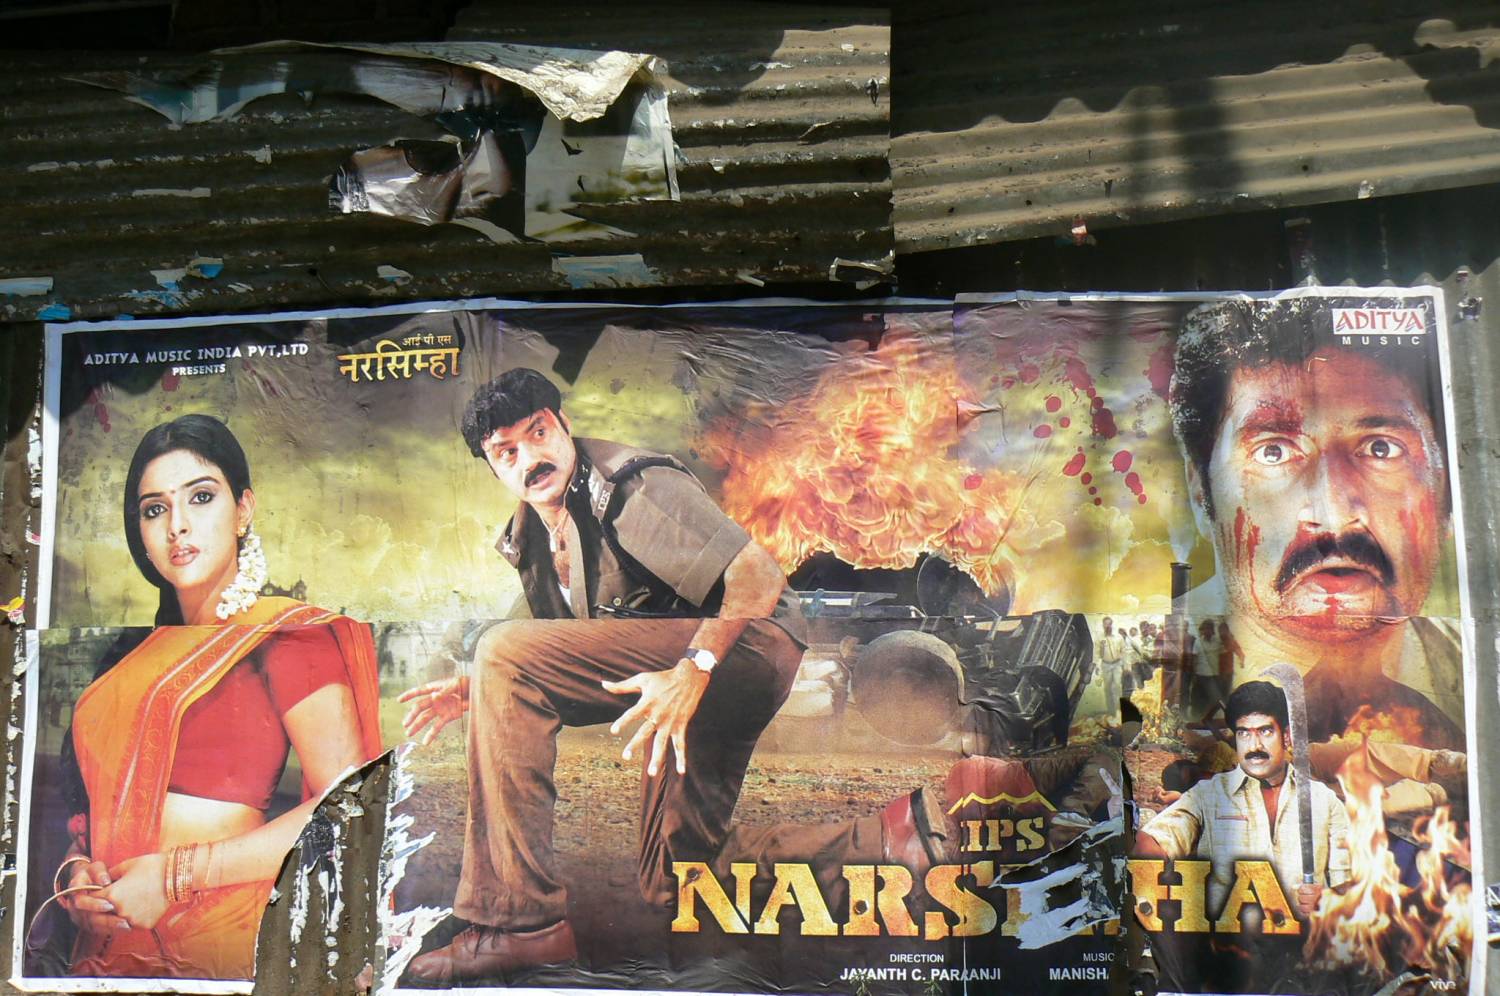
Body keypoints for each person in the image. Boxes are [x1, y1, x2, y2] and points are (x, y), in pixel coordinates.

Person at [400, 368, 951, 984]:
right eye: (507, 452)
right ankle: (889, 840)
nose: (530, 459)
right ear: (493, 469)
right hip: (684, 673)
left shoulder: (632, 489)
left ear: (564, 426)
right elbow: (550, 642)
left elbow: (759, 578)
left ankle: (521, 924)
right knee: (677, 881)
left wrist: (696, 667)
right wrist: (479, 686)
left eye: (538, 432)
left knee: (502, 653)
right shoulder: (533, 535)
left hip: (743, 647)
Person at [54, 415, 383, 979]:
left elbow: (350, 808)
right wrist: (77, 872)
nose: (177, 526)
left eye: (201, 497)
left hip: (223, 937)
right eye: (154, 510)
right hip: (112, 942)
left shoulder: (286, 636)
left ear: (244, 510)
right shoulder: (130, 656)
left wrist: (174, 877)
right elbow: (92, 812)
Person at [1169, 299, 1463, 751]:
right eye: (1273, 452)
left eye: (1381, 448)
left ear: (1446, 489)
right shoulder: (1136, 674)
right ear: (1199, 491)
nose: (1333, 515)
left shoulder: (1478, 670)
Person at [1135, 680, 1351, 917]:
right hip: (1227, 935)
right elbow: (1150, 843)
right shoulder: (1208, 795)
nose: (1254, 746)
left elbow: (1351, 887)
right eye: (1244, 733)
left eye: (1265, 731)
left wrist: (1330, 899)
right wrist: (1169, 903)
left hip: (1302, 934)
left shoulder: (1324, 801)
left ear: (1287, 736)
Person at [1096, 617, 1126, 716]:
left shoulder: (1118, 637)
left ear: (1112, 625)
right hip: (1106, 665)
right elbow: (1097, 653)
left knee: (1118, 686)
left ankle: (1119, 710)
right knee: (1108, 688)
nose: (1107, 626)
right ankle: (1111, 712)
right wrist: (1097, 666)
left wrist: (1124, 664)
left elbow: (1123, 650)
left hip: (1117, 664)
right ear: (1103, 625)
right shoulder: (1099, 638)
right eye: (1105, 624)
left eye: (1109, 624)